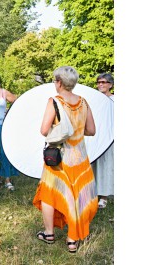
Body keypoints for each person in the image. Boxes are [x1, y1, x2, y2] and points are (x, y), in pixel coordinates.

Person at [32, 66, 98, 253]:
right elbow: (91, 131)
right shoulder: (84, 102)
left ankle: (49, 233)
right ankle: (72, 239)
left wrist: (61, 130)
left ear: (59, 82)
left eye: (55, 80)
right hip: (80, 158)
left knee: (50, 192)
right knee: (78, 196)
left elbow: (44, 131)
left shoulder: (54, 101)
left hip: (59, 158)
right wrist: (75, 130)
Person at [92, 73, 114, 208]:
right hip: (96, 137)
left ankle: (104, 196)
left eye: (104, 82)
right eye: (99, 82)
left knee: (107, 166)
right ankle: (94, 193)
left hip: (111, 137)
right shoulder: (94, 100)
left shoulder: (115, 99)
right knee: (94, 166)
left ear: (110, 84)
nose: (100, 84)